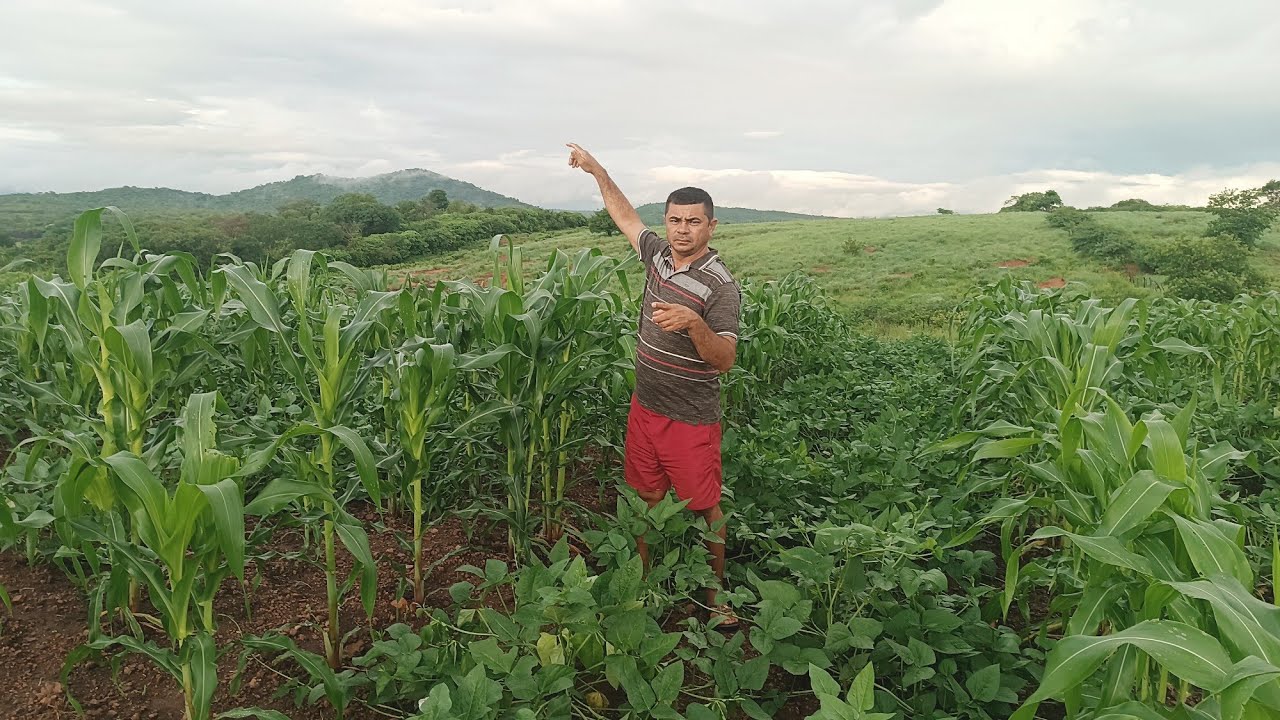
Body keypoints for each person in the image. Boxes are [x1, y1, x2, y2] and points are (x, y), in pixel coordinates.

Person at [566, 143, 741, 628]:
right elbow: (623, 216)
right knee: (643, 497)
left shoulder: (721, 286)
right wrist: (597, 170)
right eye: (674, 220)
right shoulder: (659, 257)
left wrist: (693, 324)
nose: (682, 229)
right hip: (646, 408)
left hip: (689, 418)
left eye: (693, 221)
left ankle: (714, 596)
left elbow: (725, 359)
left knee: (706, 507)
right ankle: (640, 586)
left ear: (710, 226)